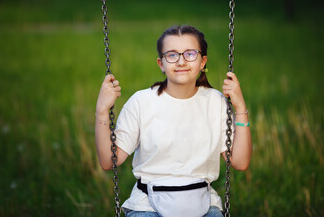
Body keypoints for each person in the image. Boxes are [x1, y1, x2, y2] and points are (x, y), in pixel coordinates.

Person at [95, 25, 252, 217]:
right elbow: (109, 161)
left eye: (190, 54)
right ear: (161, 63)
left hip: (203, 204)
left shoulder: (215, 102)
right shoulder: (141, 102)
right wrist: (102, 111)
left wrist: (241, 109)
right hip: (148, 206)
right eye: (172, 55)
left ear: (203, 61)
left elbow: (240, 162)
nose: (181, 61)